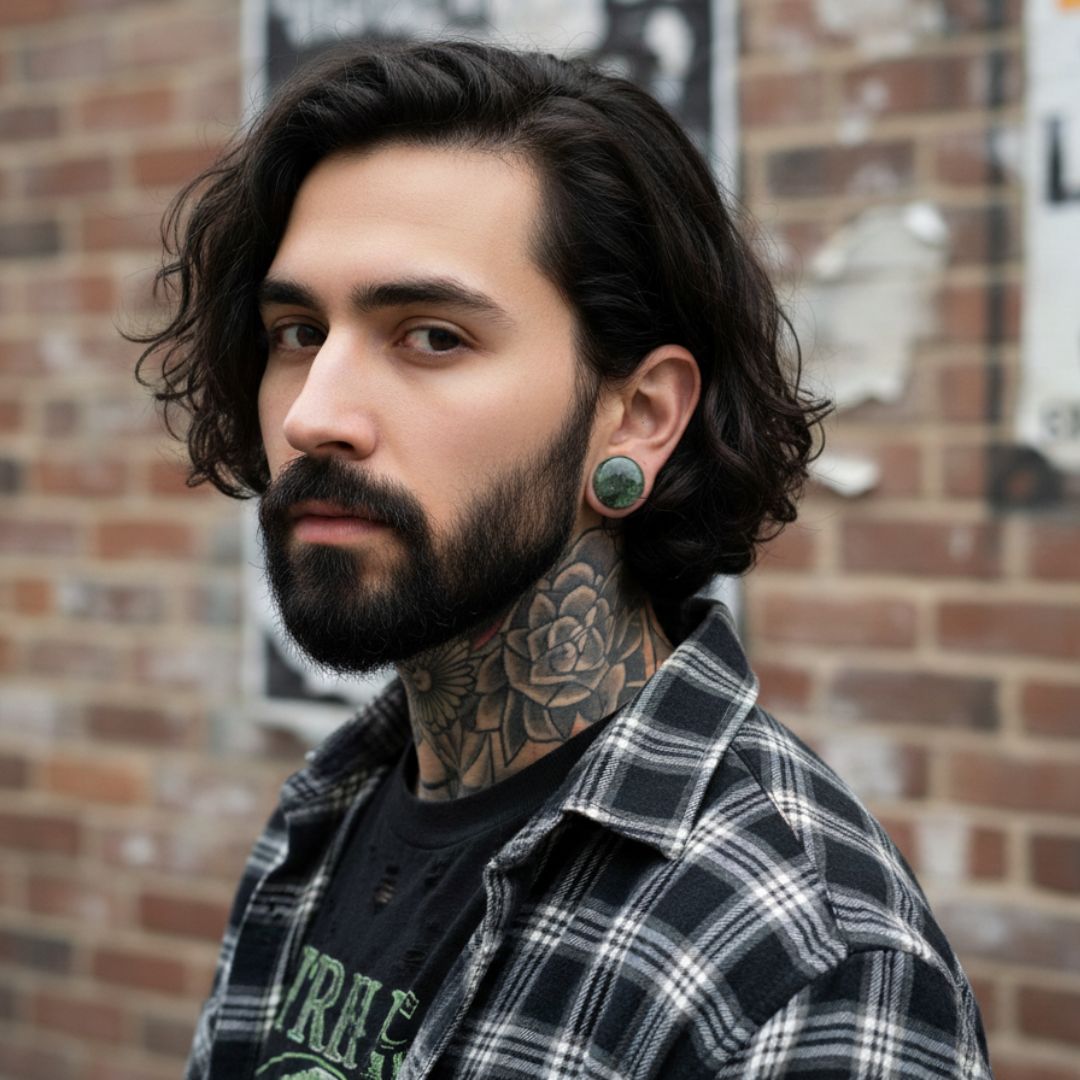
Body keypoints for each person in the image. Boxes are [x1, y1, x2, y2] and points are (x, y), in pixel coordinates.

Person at [135, 39, 991, 1080]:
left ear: (638, 417)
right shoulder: (329, 811)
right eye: (298, 332)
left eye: (432, 336)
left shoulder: (799, 963)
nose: (314, 416)